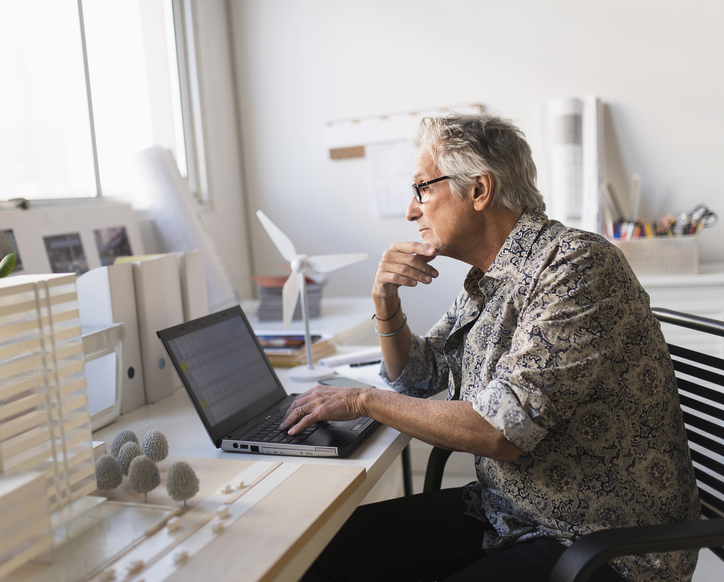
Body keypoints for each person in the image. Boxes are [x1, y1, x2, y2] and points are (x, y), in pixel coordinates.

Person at [280, 114, 700, 581]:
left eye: (422, 188)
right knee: (317, 552)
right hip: (507, 516)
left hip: (596, 541)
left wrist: (363, 400)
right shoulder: (492, 277)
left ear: (479, 190)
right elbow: (419, 375)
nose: (411, 210)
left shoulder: (575, 266)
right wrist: (385, 302)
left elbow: (501, 432)